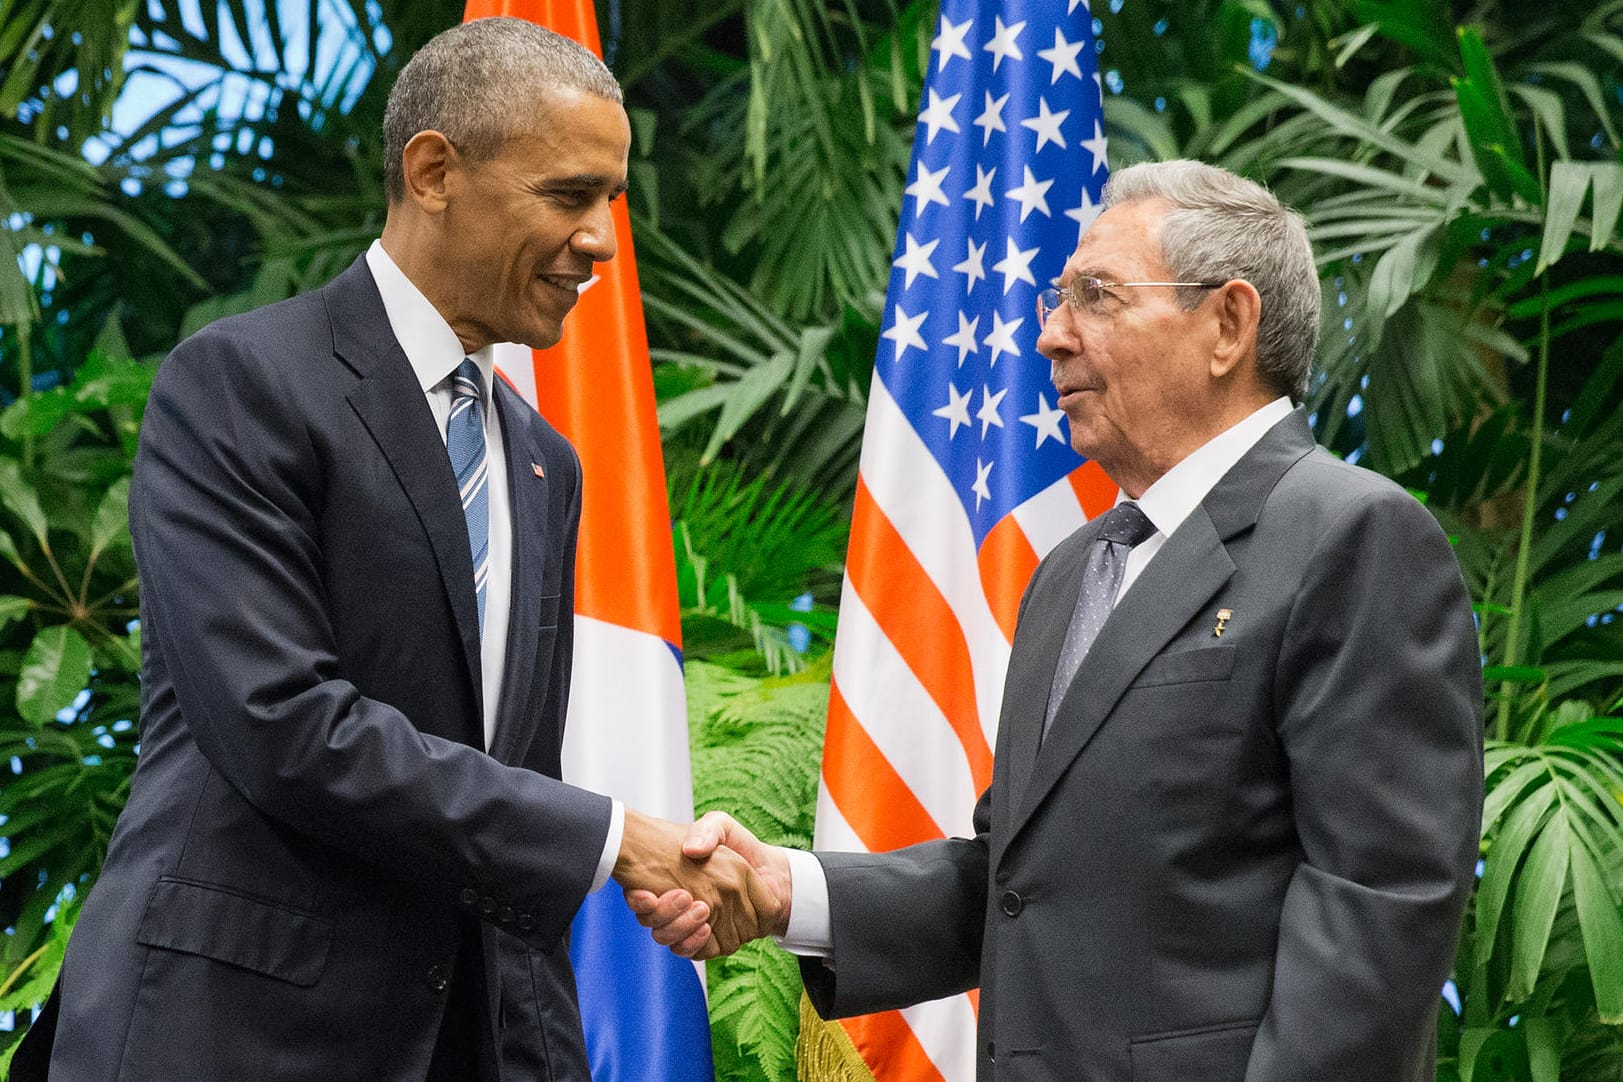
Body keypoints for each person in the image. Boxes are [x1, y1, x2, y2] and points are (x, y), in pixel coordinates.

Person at [12, 18, 761, 1082]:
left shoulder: (548, 463)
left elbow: (507, 793)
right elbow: (287, 726)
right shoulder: (243, 383)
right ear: (434, 170)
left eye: (614, 201)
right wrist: (609, 837)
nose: (602, 239)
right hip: (226, 1037)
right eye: (569, 194)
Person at [637, 160, 1485, 1080]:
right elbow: (1020, 879)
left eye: (1096, 295)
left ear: (1228, 325)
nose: (1049, 335)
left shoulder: (1351, 535)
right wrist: (785, 893)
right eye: (1056, 298)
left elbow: (1378, 913)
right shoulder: (1073, 570)